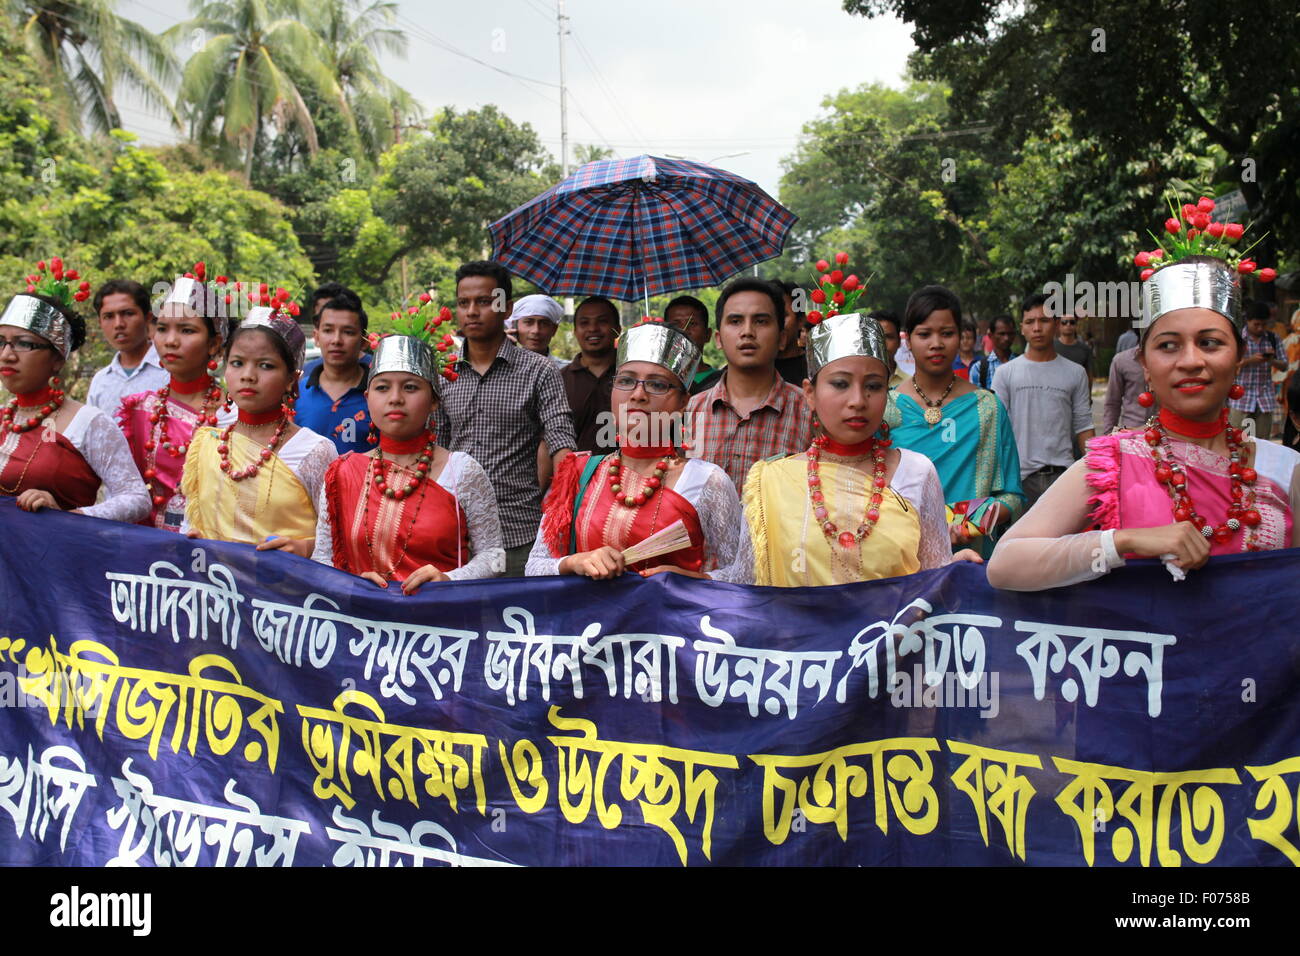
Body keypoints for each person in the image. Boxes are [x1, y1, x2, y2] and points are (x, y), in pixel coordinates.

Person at [988, 251, 1300, 591]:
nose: (1191, 361)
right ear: (1145, 365)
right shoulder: (1113, 462)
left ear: (1238, 357)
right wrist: (1124, 542)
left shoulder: (1285, 469)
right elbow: (1005, 563)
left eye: (1210, 343)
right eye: (1168, 346)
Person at [733, 312, 979, 586]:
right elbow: (744, 587)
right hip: (796, 630)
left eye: (873, 386)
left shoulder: (917, 472)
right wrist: (684, 582)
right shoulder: (771, 481)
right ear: (810, 393)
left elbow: (932, 580)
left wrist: (953, 571)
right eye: (840, 384)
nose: (858, 400)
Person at [527, 319, 741, 579]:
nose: (638, 394)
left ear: (684, 401)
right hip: (590, 620)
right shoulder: (579, 473)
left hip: (672, 618)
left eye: (657, 384)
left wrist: (691, 580)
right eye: (626, 381)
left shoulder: (708, 480)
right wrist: (575, 562)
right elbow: (535, 566)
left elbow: (743, 575)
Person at [312, 315, 505, 591]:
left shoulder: (461, 470)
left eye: (411, 387)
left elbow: (495, 557)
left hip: (439, 627)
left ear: (435, 401)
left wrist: (449, 579)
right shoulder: (341, 472)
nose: (395, 398)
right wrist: (349, 582)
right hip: (360, 625)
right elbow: (322, 558)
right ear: (367, 399)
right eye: (382, 387)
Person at [434, 261, 576, 577]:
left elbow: (561, 440)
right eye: (463, 303)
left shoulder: (540, 370)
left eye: (484, 302)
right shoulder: (444, 374)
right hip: (456, 534)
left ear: (505, 307)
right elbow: (436, 449)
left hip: (518, 533)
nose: (471, 311)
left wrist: (563, 509)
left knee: (518, 624)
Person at [182, 303, 337, 554]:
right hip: (218, 586)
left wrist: (305, 547)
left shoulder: (314, 451)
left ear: (291, 379)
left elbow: (338, 542)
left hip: (286, 590)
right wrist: (195, 538)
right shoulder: (206, 444)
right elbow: (191, 524)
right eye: (237, 363)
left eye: (265, 365)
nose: (248, 375)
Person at [1, 263, 148, 522]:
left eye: (23, 343)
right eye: (1, 342)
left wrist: (71, 517)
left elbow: (136, 499)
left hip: (55, 556)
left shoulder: (89, 422)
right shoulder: (4, 416)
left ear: (57, 359)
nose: (7, 355)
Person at [890, 286, 1024, 559]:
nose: (936, 343)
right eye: (924, 334)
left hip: (970, 561)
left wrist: (971, 520)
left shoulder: (987, 408)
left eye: (947, 333)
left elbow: (1012, 496)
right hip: (899, 561)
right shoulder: (886, 408)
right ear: (910, 340)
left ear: (961, 336)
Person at [118, 268, 235, 530]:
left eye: (186, 330)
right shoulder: (137, 410)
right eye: (162, 328)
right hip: (142, 551)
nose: (170, 341)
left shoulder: (233, 415)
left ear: (214, 344)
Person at [685, 277, 813, 493]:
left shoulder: (810, 412)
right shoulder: (689, 411)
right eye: (735, 321)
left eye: (761, 321)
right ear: (718, 339)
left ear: (782, 338)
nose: (747, 332)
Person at [993, 294, 1094, 507]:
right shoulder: (1005, 373)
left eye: (1044, 320)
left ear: (1056, 324)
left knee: (1065, 540)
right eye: (1030, 322)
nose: (1037, 328)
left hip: (1065, 478)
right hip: (1019, 480)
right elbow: (996, 431)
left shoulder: (1075, 373)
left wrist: (1096, 474)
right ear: (1022, 328)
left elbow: (1084, 426)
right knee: (1019, 540)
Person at [296, 288, 372, 455]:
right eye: (328, 330)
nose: (336, 340)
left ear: (365, 341)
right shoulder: (296, 394)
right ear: (316, 337)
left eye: (348, 332)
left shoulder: (378, 395)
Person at [86, 279, 168, 418]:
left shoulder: (170, 370)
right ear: (100, 322)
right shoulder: (100, 382)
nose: (118, 324)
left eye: (128, 313)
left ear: (147, 317)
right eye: (109, 316)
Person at [562, 295, 619, 454]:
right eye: (584, 323)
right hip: (576, 475)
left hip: (626, 474)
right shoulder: (559, 380)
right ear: (575, 331)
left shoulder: (636, 378)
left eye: (602, 321)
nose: (593, 329)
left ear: (618, 329)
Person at [1229, 300, 1286, 440]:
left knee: (1262, 442)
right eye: (1256, 324)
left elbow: (1284, 365)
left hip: (1264, 397)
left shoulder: (1273, 338)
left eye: (1264, 325)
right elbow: (1229, 366)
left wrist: (1271, 360)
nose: (1260, 328)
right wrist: (1249, 361)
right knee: (1237, 440)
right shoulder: (1238, 339)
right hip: (1241, 397)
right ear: (1247, 321)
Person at [664, 294, 715, 392]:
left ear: (708, 334)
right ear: (666, 335)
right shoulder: (659, 381)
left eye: (692, 323)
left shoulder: (724, 381)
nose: (684, 330)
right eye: (675, 325)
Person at [1102, 345, 1152, 433]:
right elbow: (1112, 402)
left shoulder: (1172, 360)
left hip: (1165, 434)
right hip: (1130, 432)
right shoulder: (1121, 361)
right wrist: (1108, 434)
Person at [511, 294, 568, 367]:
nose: (536, 331)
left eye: (544, 324)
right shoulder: (501, 367)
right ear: (514, 326)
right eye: (528, 322)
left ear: (554, 330)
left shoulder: (566, 371)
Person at [773, 280, 809, 387]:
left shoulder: (817, 369)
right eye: (763, 318)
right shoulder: (745, 371)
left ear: (801, 320)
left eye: (783, 316)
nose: (775, 324)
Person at [969, 314, 1015, 389]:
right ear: (990, 335)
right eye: (1001, 334)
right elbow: (976, 398)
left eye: (1010, 334)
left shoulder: (1023, 364)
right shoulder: (978, 368)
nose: (1006, 338)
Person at [1055, 313, 1095, 378]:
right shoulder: (1050, 347)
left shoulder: (1085, 349)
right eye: (1064, 322)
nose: (1068, 324)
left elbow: (1089, 374)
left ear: (1076, 325)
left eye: (1072, 322)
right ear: (1059, 325)